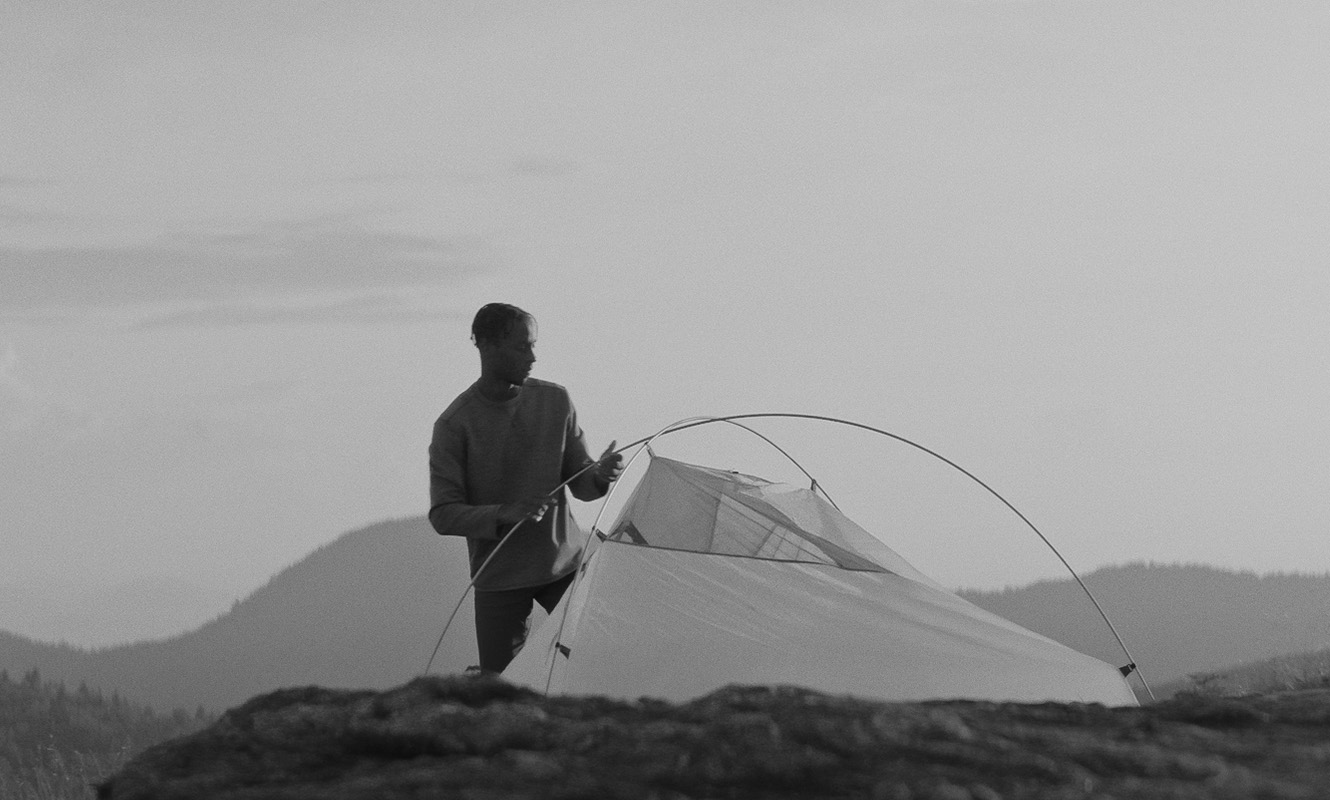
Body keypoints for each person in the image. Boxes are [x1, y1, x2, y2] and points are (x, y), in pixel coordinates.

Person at [429, 303, 622, 674]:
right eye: (522, 347)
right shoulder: (455, 425)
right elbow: (442, 514)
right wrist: (506, 512)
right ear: (486, 346)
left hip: (565, 567)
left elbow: (581, 483)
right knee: (501, 687)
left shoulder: (555, 400)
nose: (533, 357)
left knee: (594, 668)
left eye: (533, 345)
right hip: (500, 579)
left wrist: (600, 475)